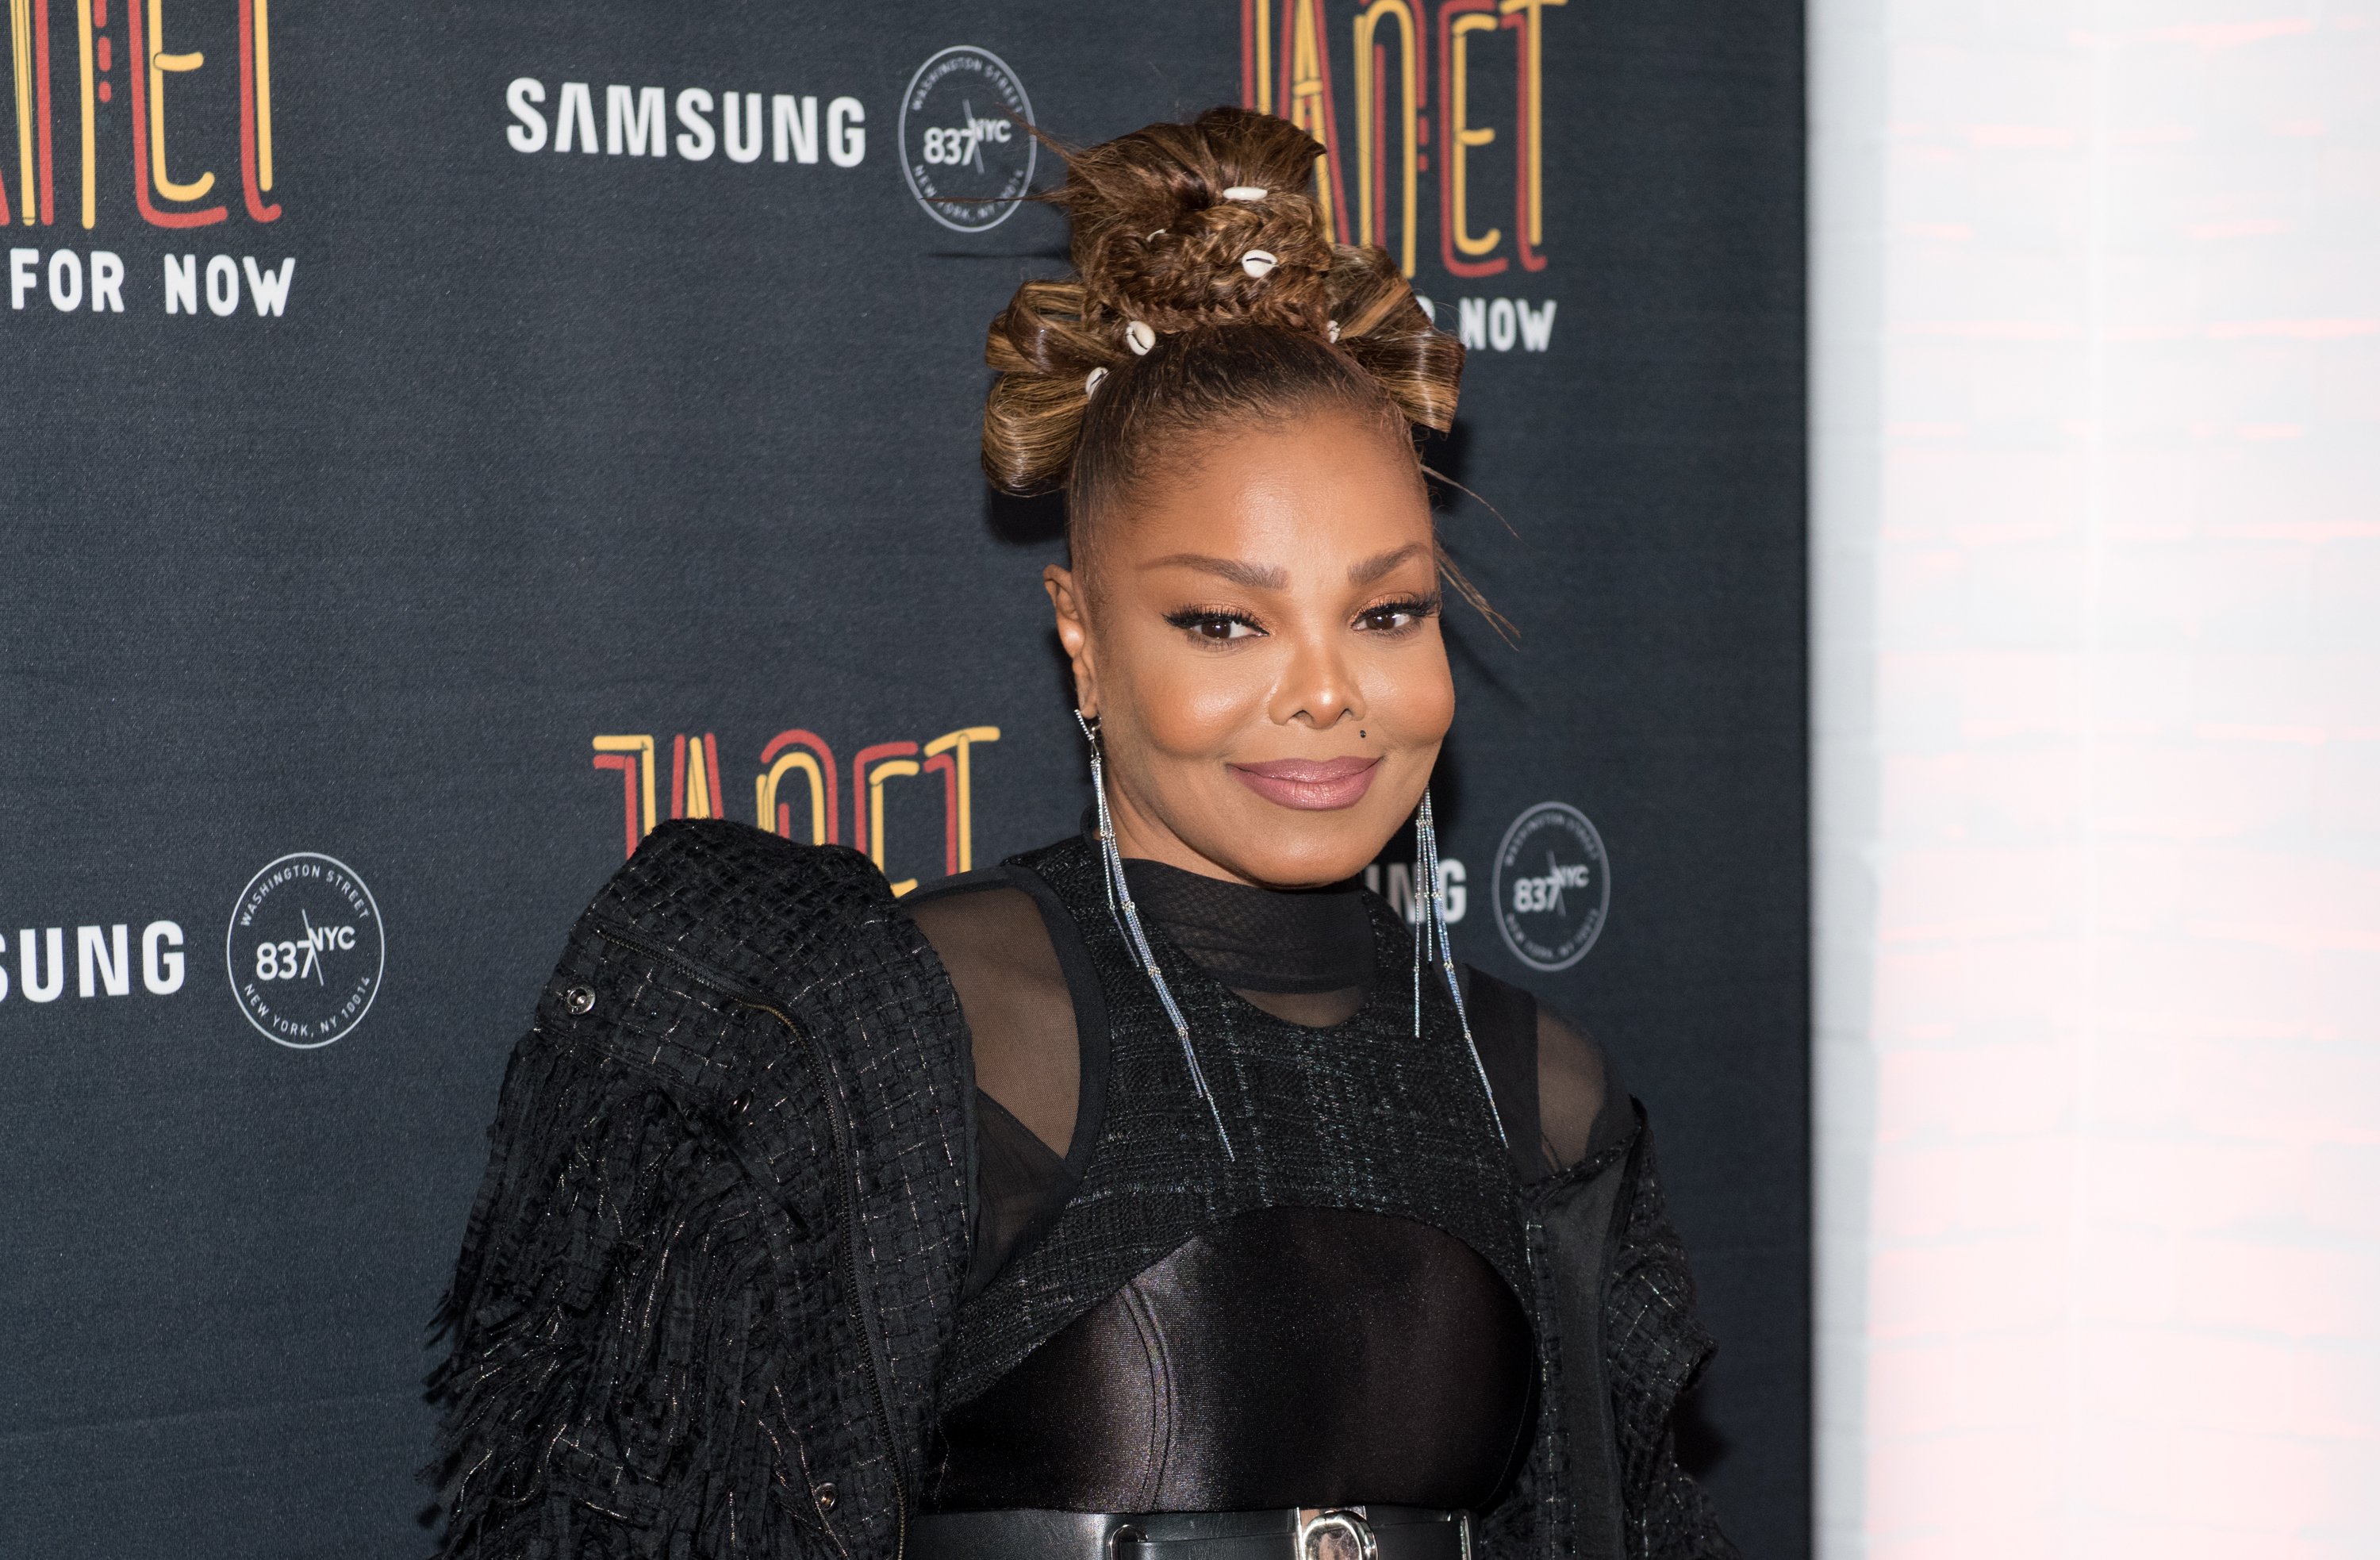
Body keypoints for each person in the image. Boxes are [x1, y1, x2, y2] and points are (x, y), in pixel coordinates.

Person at [428, 108, 1733, 1560]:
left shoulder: (1547, 1099)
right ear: (1082, 638)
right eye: (1223, 621)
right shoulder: (896, 1041)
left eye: (1387, 611)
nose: (1324, 691)